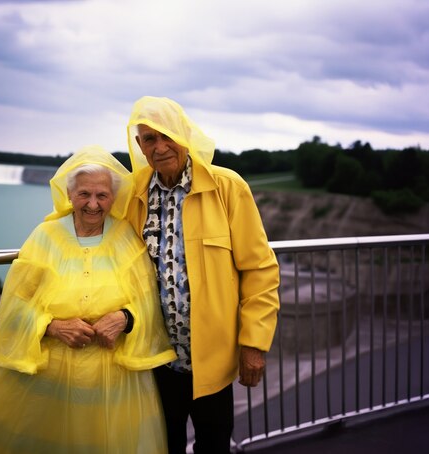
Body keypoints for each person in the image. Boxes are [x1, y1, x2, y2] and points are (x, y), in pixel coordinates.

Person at [0, 145, 176, 454]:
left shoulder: (126, 239)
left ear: (113, 197)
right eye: (84, 194)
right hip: (47, 389)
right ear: (70, 195)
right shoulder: (45, 237)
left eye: (102, 195)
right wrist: (53, 326)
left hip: (112, 391)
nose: (93, 205)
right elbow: (14, 308)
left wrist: (125, 318)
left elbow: (150, 303)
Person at [125, 96, 281, 453]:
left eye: (168, 136)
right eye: (149, 139)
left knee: (213, 445)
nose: (160, 147)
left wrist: (254, 343)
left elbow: (259, 269)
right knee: (163, 446)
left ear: (185, 135)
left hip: (210, 359)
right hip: (155, 359)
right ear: (140, 146)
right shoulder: (133, 194)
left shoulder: (227, 187)